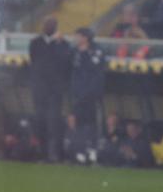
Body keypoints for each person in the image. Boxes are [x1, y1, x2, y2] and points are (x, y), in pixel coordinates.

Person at [28, 17, 70, 162]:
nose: (47, 27)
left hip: (54, 91)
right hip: (39, 90)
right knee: (40, 121)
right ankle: (42, 153)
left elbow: (65, 61)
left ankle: (55, 154)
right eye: (46, 24)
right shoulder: (35, 42)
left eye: (50, 25)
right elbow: (34, 61)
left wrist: (58, 43)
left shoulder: (62, 44)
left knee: (54, 123)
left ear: (55, 27)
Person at [70, 27, 105, 141]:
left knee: (92, 121)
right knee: (78, 120)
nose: (75, 39)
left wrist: (84, 53)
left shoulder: (97, 50)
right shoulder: (74, 51)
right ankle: (80, 144)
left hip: (92, 94)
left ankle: (93, 145)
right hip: (78, 93)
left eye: (77, 36)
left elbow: (93, 67)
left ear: (85, 38)